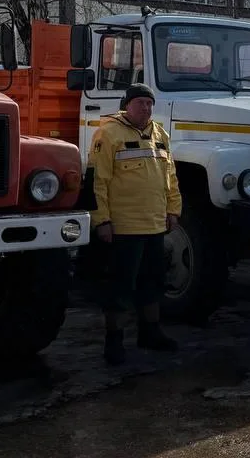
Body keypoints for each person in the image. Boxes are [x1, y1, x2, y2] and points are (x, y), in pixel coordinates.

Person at [88, 83, 182, 364]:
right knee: (119, 288)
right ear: (127, 105)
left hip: (154, 225)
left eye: (150, 103)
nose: (146, 108)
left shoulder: (159, 135)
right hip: (124, 228)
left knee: (152, 283)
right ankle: (114, 342)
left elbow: (171, 178)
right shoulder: (108, 134)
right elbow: (96, 182)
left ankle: (150, 333)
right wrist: (101, 221)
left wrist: (173, 210)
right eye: (140, 103)